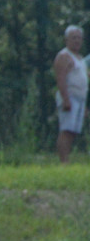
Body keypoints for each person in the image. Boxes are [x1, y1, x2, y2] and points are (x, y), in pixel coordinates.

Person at [54, 25, 87, 163]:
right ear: (66, 39)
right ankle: (63, 162)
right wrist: (66, 99)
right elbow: (60, 78)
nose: (77, 41)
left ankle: (66, 160)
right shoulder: (64, 56)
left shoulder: (79, 58)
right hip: (70, 97)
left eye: (79, 38)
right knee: (66, 130)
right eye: (74, 38)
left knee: (73, 131)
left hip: (80, 99)